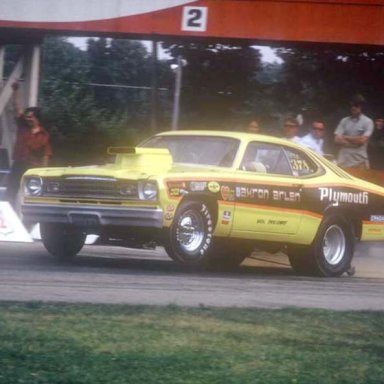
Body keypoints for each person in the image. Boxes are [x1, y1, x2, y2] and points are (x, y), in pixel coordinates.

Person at [6, 82, 52, 208]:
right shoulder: (23, 126)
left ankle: (28, 221)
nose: (28, 118)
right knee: (10, 192)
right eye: (27, 117)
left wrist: (44, 173)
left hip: (32, 168)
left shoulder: (44, 135)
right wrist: (16, 90)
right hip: (18, 164)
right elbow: (17, 108)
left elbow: (46, 155)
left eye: (30, 117)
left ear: (37, 118)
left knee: (30, 196)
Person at [334, 95, 374, 169]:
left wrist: (344, 137)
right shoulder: (344, 121)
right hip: (343, 161)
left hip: (360, 162)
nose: (353, 108)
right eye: (351, 105)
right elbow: (336, 139)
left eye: (356, 105)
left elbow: (362, 140)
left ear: (362, 107)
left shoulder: (368, 122)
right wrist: (355, 142)